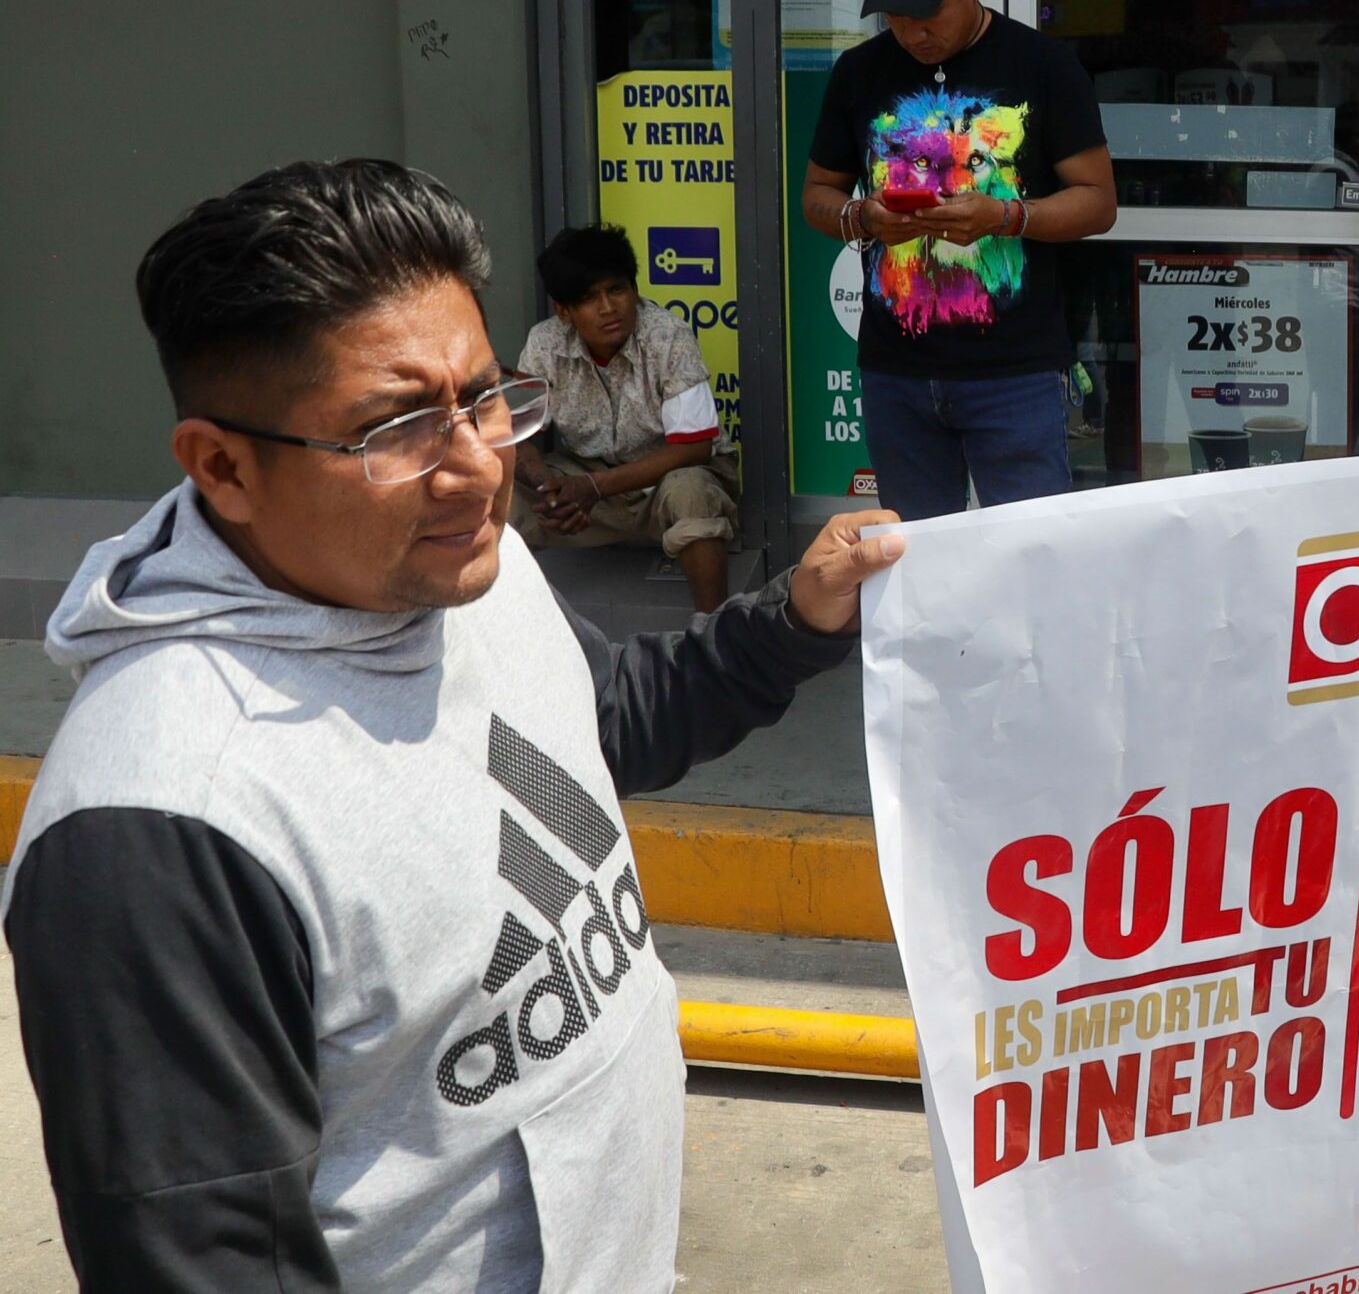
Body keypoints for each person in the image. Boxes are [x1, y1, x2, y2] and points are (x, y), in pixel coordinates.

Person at [4, 160, 905, 1292]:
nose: (477, 468)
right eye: (396, 428)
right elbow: (207, 1261)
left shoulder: (467, 570)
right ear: (223, 467)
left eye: (485, 398)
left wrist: (797, 617)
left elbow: (604, 723)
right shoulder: (162, 826)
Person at [800, 0, 1117, 520]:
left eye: (927, 12)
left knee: (1030, 549)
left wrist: (1005, 217)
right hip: (896, 371)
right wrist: (864, 220)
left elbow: (1099, 203)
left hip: (1015, 371)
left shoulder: (1043, 65)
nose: (912, 32)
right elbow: (816, 195)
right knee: (914, 555)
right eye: (895, 15)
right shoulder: (859, 72)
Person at [514, 223, 739, 613]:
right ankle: (511, 631)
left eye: (616, 290)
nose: (608, 308)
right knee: (493, 494)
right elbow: (517, 433)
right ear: (563, 311)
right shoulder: (544, 343)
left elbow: (694, 448)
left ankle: (715, 630)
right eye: (589, 298)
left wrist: (593, 487)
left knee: (692, 491)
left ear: (634, 290)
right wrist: (549, 489)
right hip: (586, 483)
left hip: (664, 483)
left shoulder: (667, 336)